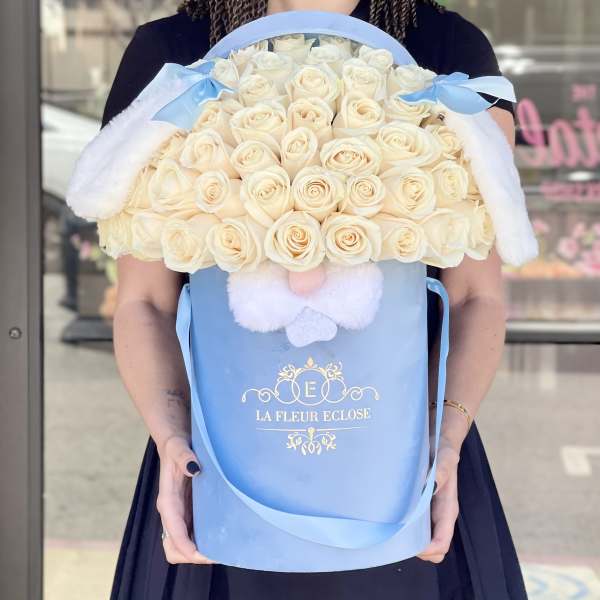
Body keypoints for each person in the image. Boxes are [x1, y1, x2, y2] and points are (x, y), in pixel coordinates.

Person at [106, 1, 528, 598]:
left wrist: (447, 442)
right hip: (224, 457)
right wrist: (172, 440)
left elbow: (475, 296)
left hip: (405, 460)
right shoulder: (171, 52)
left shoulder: (445, 46)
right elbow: (145, 301)